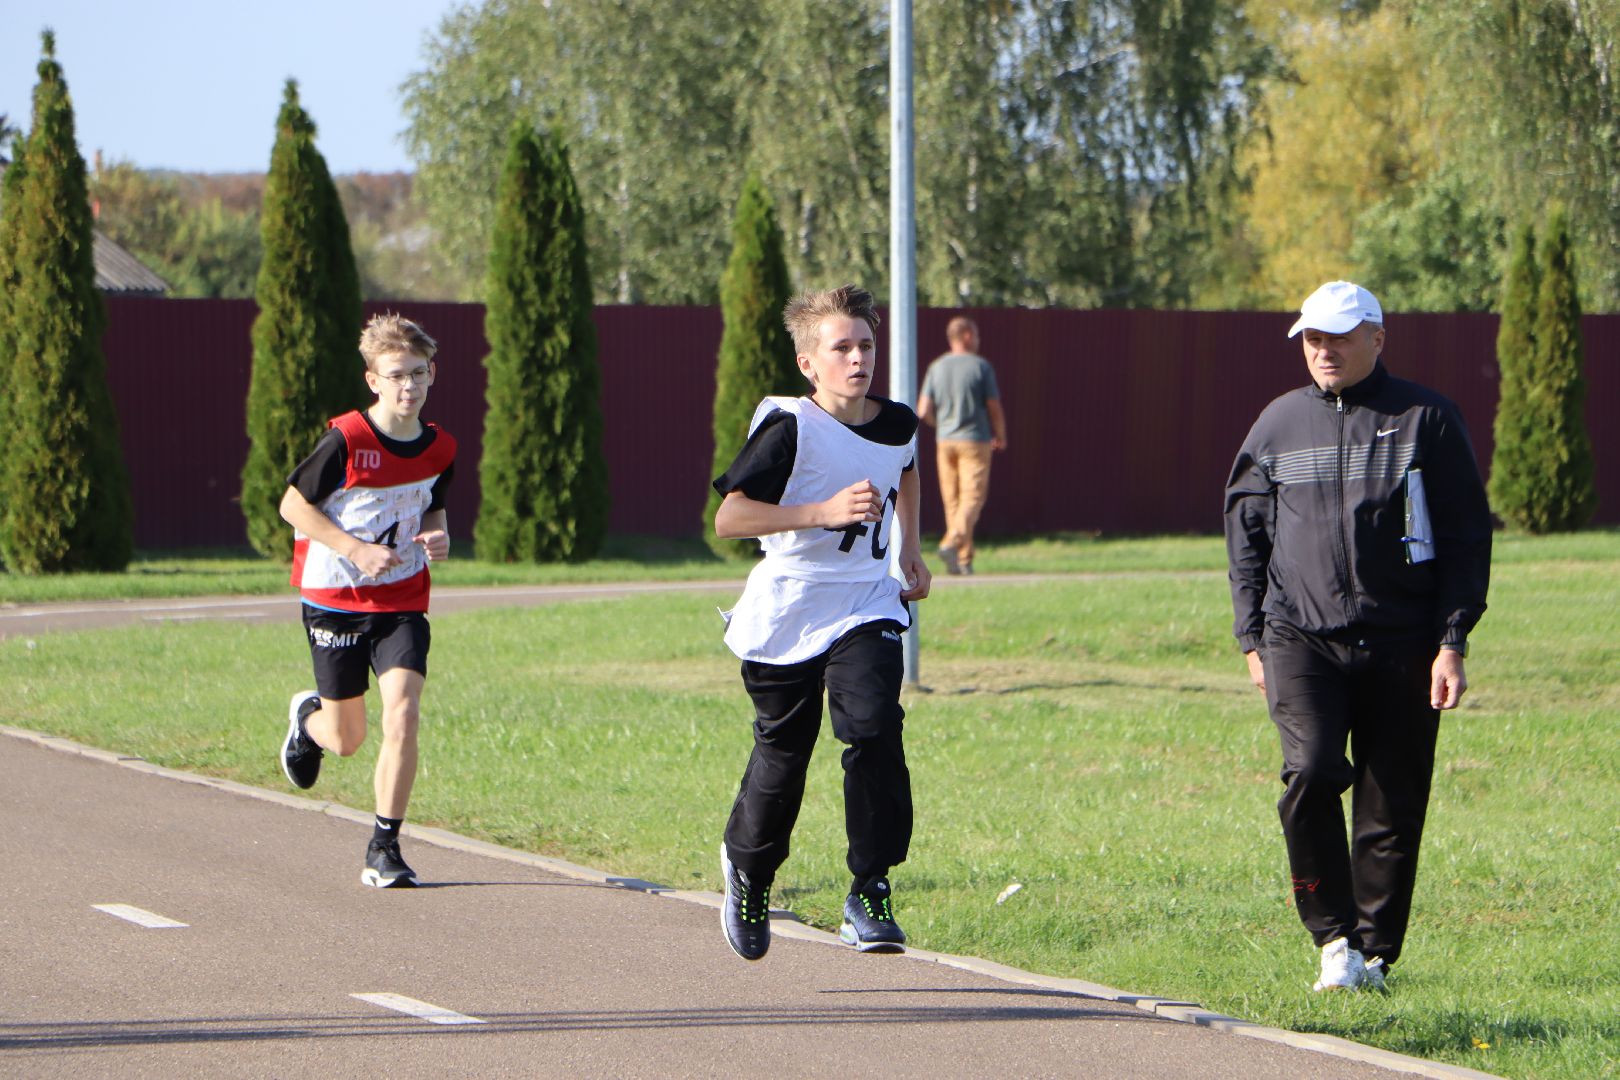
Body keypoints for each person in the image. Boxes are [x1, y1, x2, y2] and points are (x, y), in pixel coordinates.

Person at [1224, 281, 1491, 992]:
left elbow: (1466, 537)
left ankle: (1372, 957)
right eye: (1313, 337)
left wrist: (1452, 639)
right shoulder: (1277, 425)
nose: (1324, 349)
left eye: (1339, 335)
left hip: (1403, 640)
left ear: (1378, 336)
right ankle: (1333, 938)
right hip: (1299, 637)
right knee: (1310, 772)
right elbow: (1245, 533)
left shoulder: (1426, 419)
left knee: (1391, 802)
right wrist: (1251, 636)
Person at [711, 284, 932, 961]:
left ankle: (870, 889)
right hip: (790, 607)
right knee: (785, 753)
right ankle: (749, 871)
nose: (858, 358)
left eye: (866, 344)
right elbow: (731, 518)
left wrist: (911, 549)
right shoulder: (789, 428)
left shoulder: (895, 422)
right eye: (842, 348)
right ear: (810, 363)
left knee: (872, 728)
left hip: (865, 601)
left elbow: (908, 468)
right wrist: (823, 510)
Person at [277, 313, 457, 889]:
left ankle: (385, 846)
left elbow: (431, 503)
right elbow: (292, 507)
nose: (410, 386)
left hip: (402, 598)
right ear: (373, 380)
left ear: (432, 375)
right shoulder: (346, 440)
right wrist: (354, 548)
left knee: (403, 713)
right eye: (398, 375)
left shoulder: (441, 446)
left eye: (420, 374)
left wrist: (439, 533)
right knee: (348, 738)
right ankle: (309, 719)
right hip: (335, 597)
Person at [917, 316, 1006, 575]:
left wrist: (940, 424)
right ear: (966, 335)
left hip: (945, 440)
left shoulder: (936, 367)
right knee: (972, 497)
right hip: (975, 439)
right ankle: (951, 543)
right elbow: (994, 405)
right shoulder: (981, 367)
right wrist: (999, 433)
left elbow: (923, 410)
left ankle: (963, 560)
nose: (978, 340)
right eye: (976, 335)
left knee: (952, 501)